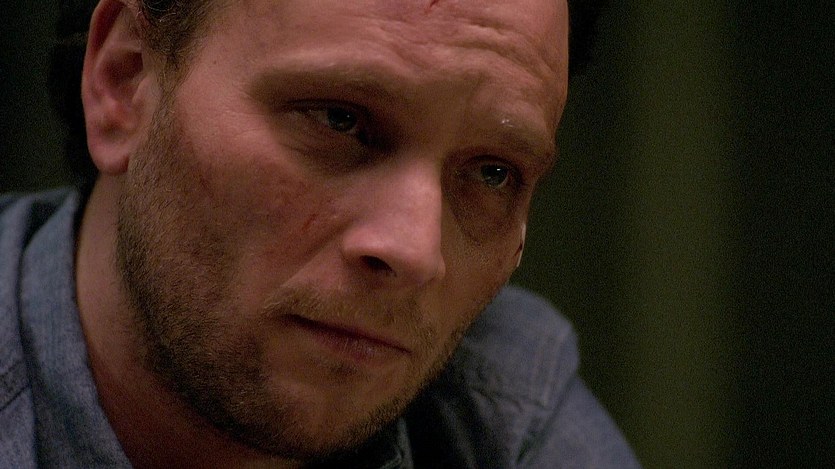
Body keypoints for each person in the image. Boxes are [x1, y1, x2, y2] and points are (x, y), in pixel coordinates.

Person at [0, 0, 640, 467]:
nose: (416, 250)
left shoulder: (501, 409)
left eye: (493, 173)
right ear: (125, 79)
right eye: (339, 120)